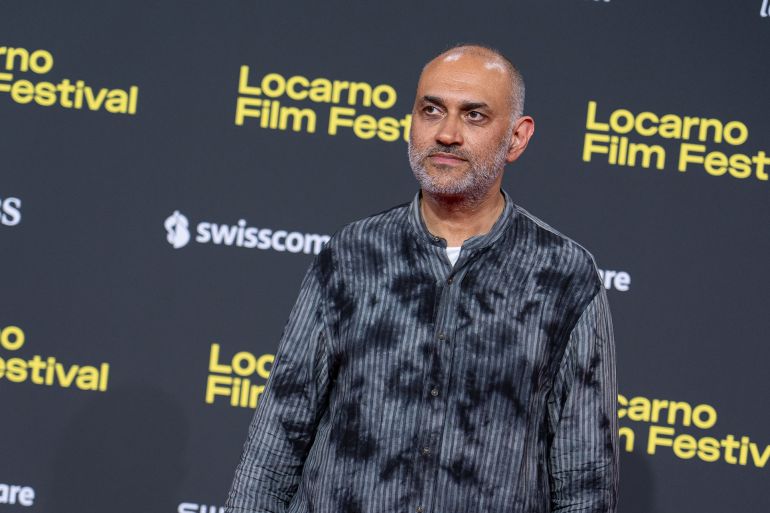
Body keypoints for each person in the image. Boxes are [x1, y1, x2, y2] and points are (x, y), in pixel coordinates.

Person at [225, 44, 618, 513]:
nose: (447, 134)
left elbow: (585, 476)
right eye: (432, 110)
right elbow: (279, 431)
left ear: (516, 138)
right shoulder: (353, 254)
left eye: (474, 116)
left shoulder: (564, 277)